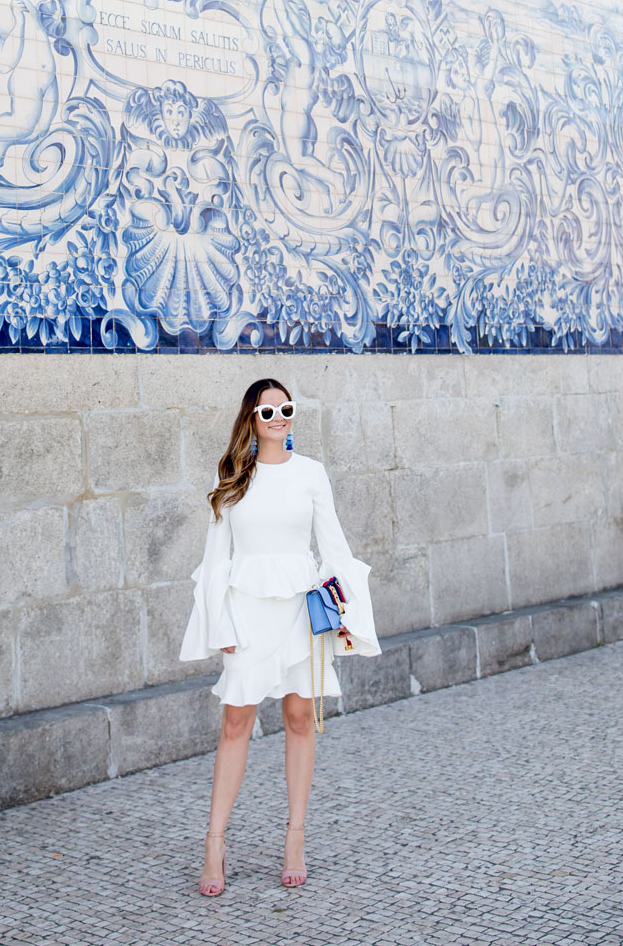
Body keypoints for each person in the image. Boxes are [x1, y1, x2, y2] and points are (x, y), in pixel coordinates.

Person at [179, 378, 380, 896]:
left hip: (298, 608)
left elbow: (334, 547)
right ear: (252, 418)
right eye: (268, 412)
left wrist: (347, 612)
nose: (279, 418)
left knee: (298, 717)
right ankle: (214, 843)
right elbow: (214, 558)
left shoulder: (312, 474)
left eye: (286, 409)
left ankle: (294, 838)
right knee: (235, 722)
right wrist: (218, 622)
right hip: (245, 610)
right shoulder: (232, 478)